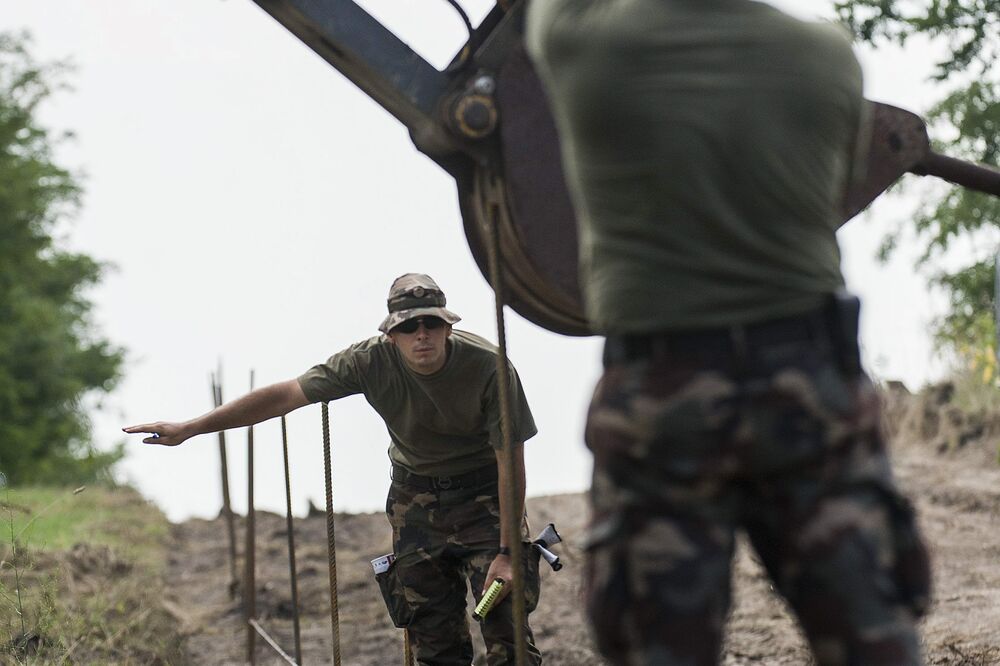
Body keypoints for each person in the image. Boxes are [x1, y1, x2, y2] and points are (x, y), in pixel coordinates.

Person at [527, 2, 930, 665]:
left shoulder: (588, 49)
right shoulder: (825, 58)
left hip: (663, 394)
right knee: (874, 635)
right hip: (809, 380)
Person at [124, 273, 543, 666]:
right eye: (409, 328)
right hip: (416, 503)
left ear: (448, 327)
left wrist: (507, 552)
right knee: (434, 642)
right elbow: (286, 395)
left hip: (486, 499)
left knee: (506, 633)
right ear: (391, 334)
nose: (422, 336)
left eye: (431, 324)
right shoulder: (367, 361)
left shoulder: (489, 367)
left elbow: (511, 461)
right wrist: (192, 427)